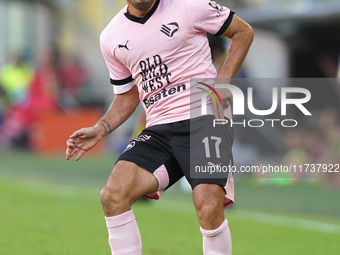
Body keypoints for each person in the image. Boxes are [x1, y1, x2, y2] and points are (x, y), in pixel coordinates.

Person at [66, 0, 253, 254]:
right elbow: (127, 95)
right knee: (113, 194)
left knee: (208, 207)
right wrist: (101, 128)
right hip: (159, 129)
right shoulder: (111, 37)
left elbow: (243, 32)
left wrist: (222, 81)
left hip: (205, 118)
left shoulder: (190, 6)